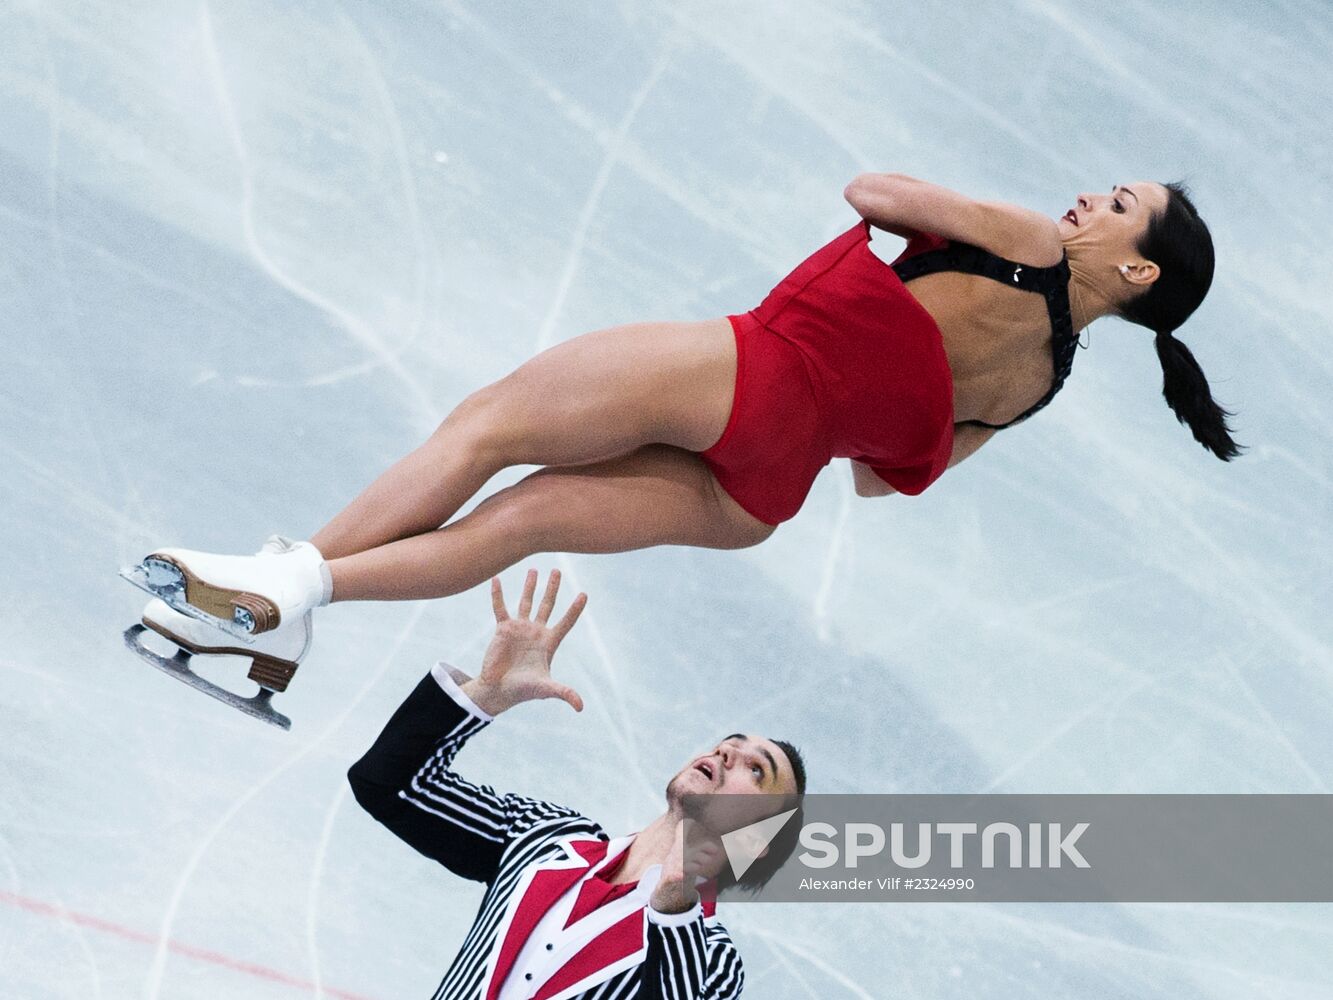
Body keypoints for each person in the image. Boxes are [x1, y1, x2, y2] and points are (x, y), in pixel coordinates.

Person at [124, 174, 1240, 696]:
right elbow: (890, 481)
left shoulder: (1033, 245)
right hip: (763, 490)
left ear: (1134, 271)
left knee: (483, 433)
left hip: (748, 370)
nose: (1085, 201)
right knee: (520, 522)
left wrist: (995, 233)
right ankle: (284, 617)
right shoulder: (1042, 383)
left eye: (1114, 205)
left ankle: (278, 594)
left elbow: (875, 189)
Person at [346, 569, 806, 999]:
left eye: (756, 769)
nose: (728, 752)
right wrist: (484, 696)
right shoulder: (543, 835)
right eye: (730, 742)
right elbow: (389, 784)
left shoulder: (713, 963)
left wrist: (672, 911)